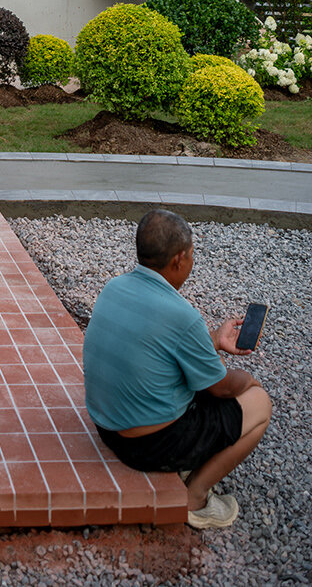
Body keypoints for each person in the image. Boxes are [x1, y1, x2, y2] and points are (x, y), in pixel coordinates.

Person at [82, 208, 272, 531]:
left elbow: (162, 350)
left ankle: (189, 469)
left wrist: (213, 340)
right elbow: (222, 387)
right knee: (260, 404)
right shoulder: (182, 315)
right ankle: (195, 499)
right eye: (193, 255)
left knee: (206, 377)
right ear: (178, 260)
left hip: (106, 427)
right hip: (148, 447)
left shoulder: (114, 287)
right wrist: (251, 383)